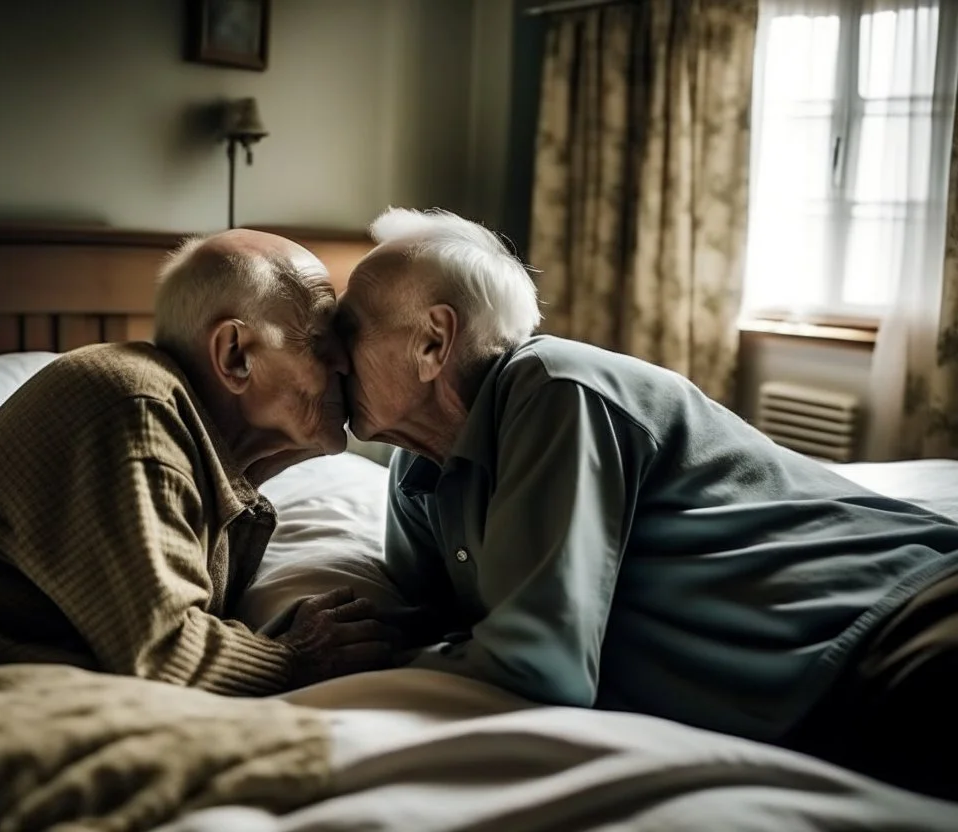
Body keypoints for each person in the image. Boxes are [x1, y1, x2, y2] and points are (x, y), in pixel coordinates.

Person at [336, 207, 958, 801]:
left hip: (898, 619)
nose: (332, 356)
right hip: (811, 698)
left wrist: (387, 662)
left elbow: (537, 667)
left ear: (432, 343)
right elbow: (421, 625)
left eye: (348, 329)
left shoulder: (553, 387)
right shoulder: (416, 469)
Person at [0, 229, 396, 696]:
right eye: (320, 341)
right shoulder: (136, 409)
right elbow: (166, 655)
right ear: (235, 355)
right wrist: (292, 658)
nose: (345, 360)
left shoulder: (197, 431)